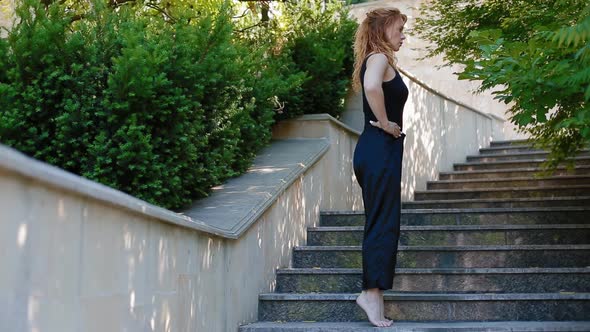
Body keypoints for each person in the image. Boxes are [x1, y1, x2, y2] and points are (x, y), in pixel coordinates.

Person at [351, 7, 408, 328]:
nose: (403, 35)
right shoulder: (379, 58)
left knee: (382, 220)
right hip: (378, 149)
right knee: (383, 222)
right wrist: (386, 124)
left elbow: (374, 87)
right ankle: (371, 293)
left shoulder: (376, 58)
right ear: (383, 28)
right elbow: (373, 87)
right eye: (399, 29)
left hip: (375, 151)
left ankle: (374, 294)